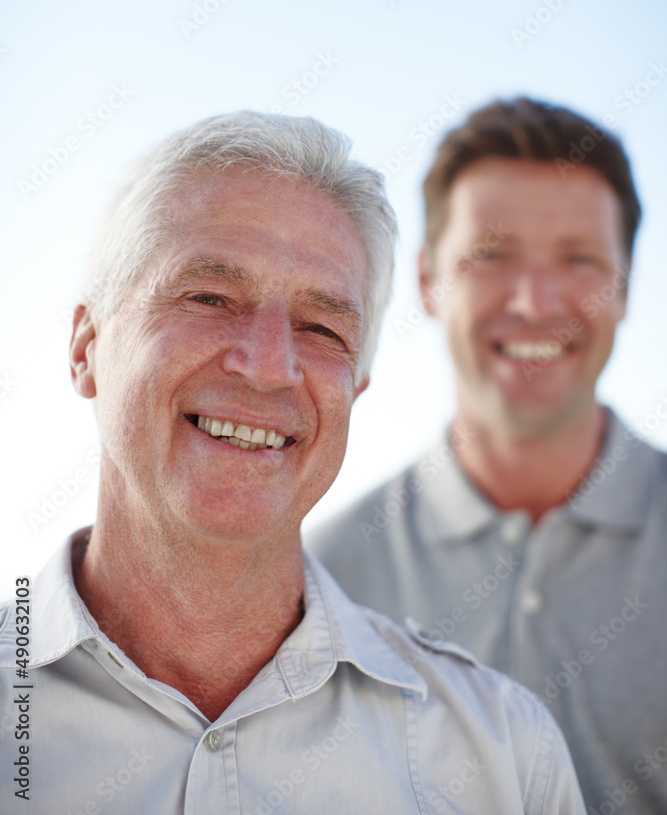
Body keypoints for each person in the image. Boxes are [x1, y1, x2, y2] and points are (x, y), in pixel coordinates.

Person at [0, 111, 583, 813]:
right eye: (210, 297)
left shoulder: (506, 760)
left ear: (354, 390)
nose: (269, 367)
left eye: (320, 328)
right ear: (85, 348)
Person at [307, 96, 667, 815]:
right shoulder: (321, 576)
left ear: (624, 285)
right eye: (491, 256)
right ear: (424, 282)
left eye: (577, 259)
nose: (533, 302)